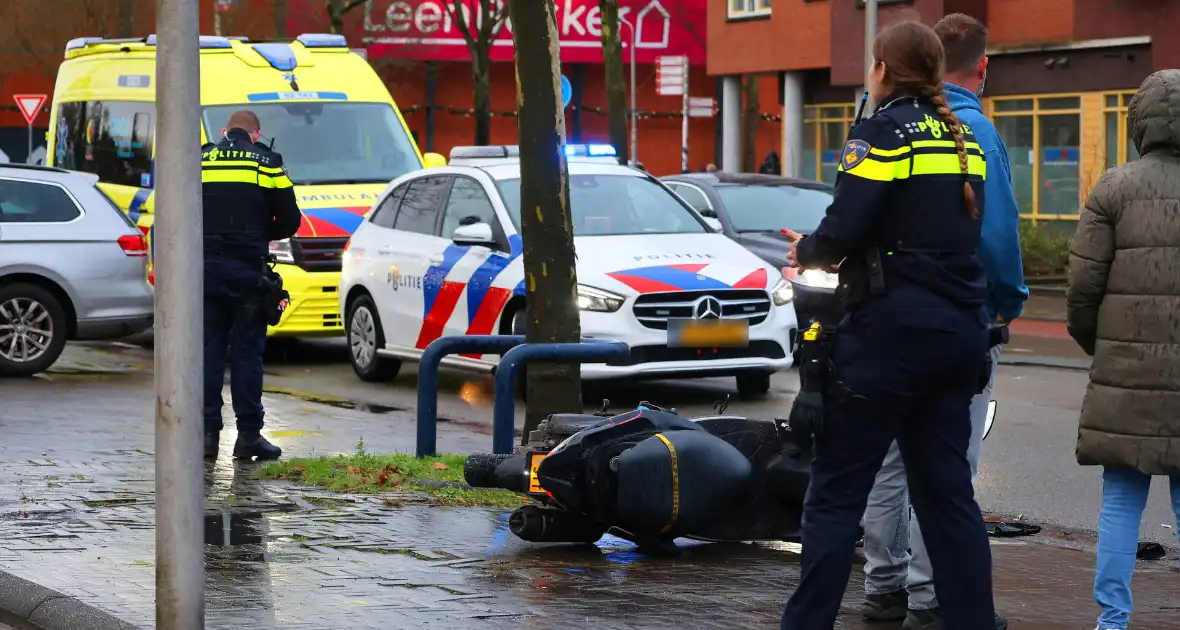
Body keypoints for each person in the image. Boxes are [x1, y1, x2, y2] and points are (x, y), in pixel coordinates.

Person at [779, 21, 996, 629]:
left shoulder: (883, 133)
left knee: (836, 496)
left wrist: (812, 250)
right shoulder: (963, 140)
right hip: (956, 336)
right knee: (948, 499)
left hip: (888, 339)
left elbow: (846, 228)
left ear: (882, 70)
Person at [859, 13, 1025, 630]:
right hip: (959, 323)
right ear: (982, 67)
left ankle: (883, 586)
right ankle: (930, 600)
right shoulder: (973, 132)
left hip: (886, 321)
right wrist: (1007, 302)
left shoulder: (877, 126)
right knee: (948, 464)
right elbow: (997, 236)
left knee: (887, 461)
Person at [1066, 68, 1180, 630]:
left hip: (1124, 371)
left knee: (1119, 504)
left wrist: (1102, 347)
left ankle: (1112, 620)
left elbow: (1082, 291)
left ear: (1139, 123)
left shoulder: (1112, 187)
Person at [202, 110, 301, 461]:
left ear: (224, 131)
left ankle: (206, 437)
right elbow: (291, 220)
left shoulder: (200, 159)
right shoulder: (267, 161)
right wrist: (259, 233)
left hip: (204, 272)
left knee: (207, 353)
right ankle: (247, 438)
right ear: (255, 135)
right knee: (246, 355)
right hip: (247, 273)